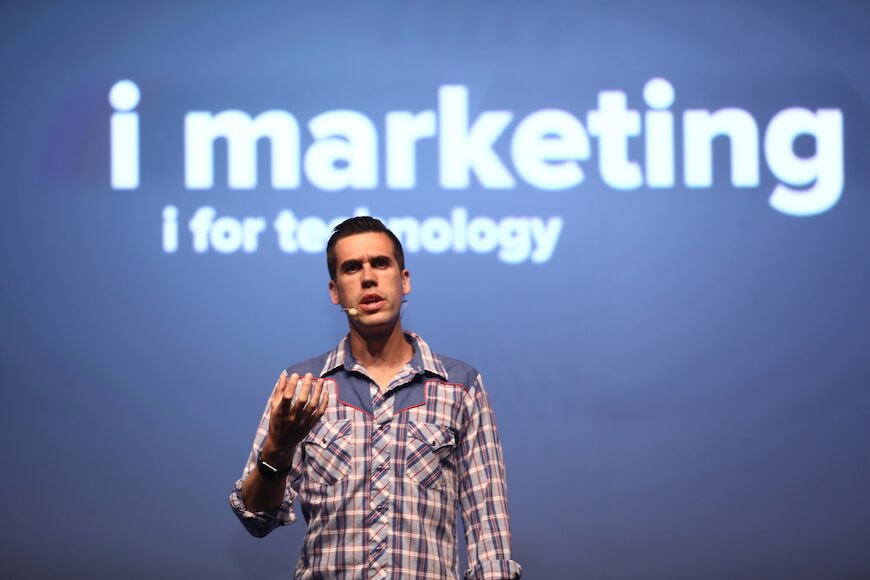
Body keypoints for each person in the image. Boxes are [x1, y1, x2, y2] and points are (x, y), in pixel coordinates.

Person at [230, 216, 521, 579]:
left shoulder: (459, 386)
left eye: (380, 263)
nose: (368, 277)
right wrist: (277, 449)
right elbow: (256, 517)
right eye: (352, 268)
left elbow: (490, 538)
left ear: (404, 280)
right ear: (335, 292)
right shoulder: (304, 388)